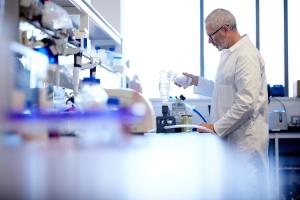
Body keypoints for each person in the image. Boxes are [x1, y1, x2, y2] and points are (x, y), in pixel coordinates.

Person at [175, 8, 269, 199]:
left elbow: (246, 102)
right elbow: (223, 89)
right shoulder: (229, 53)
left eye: (211, 35)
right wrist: (195, 81)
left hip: (244, 144)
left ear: (225, 29)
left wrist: (215, 127)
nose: (209, 41)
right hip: (230, 142)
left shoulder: (246, 55)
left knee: (246, 192)